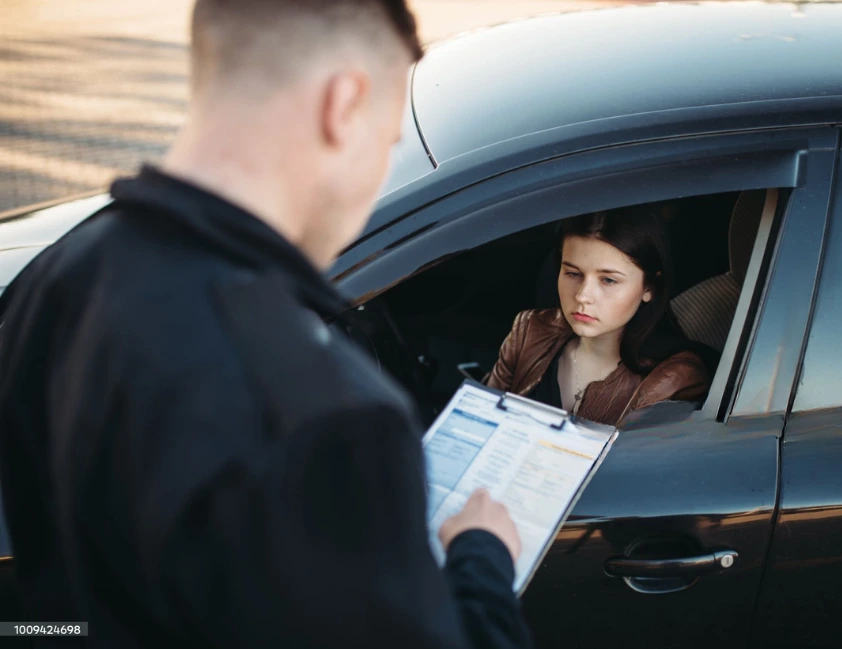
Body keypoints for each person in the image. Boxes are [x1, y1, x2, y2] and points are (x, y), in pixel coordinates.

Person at [0, 1, 533, 648]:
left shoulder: (54, 277)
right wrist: (481, 558)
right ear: (343, 103)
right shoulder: (331, 418)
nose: (375, 180)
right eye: (388, 143)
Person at [487, 206, 710, 426]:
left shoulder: (673, 380)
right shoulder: (530, 332)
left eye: (608, 280)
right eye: (573, 274)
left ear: (649, 287)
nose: (583, 296)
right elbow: (481, 423)